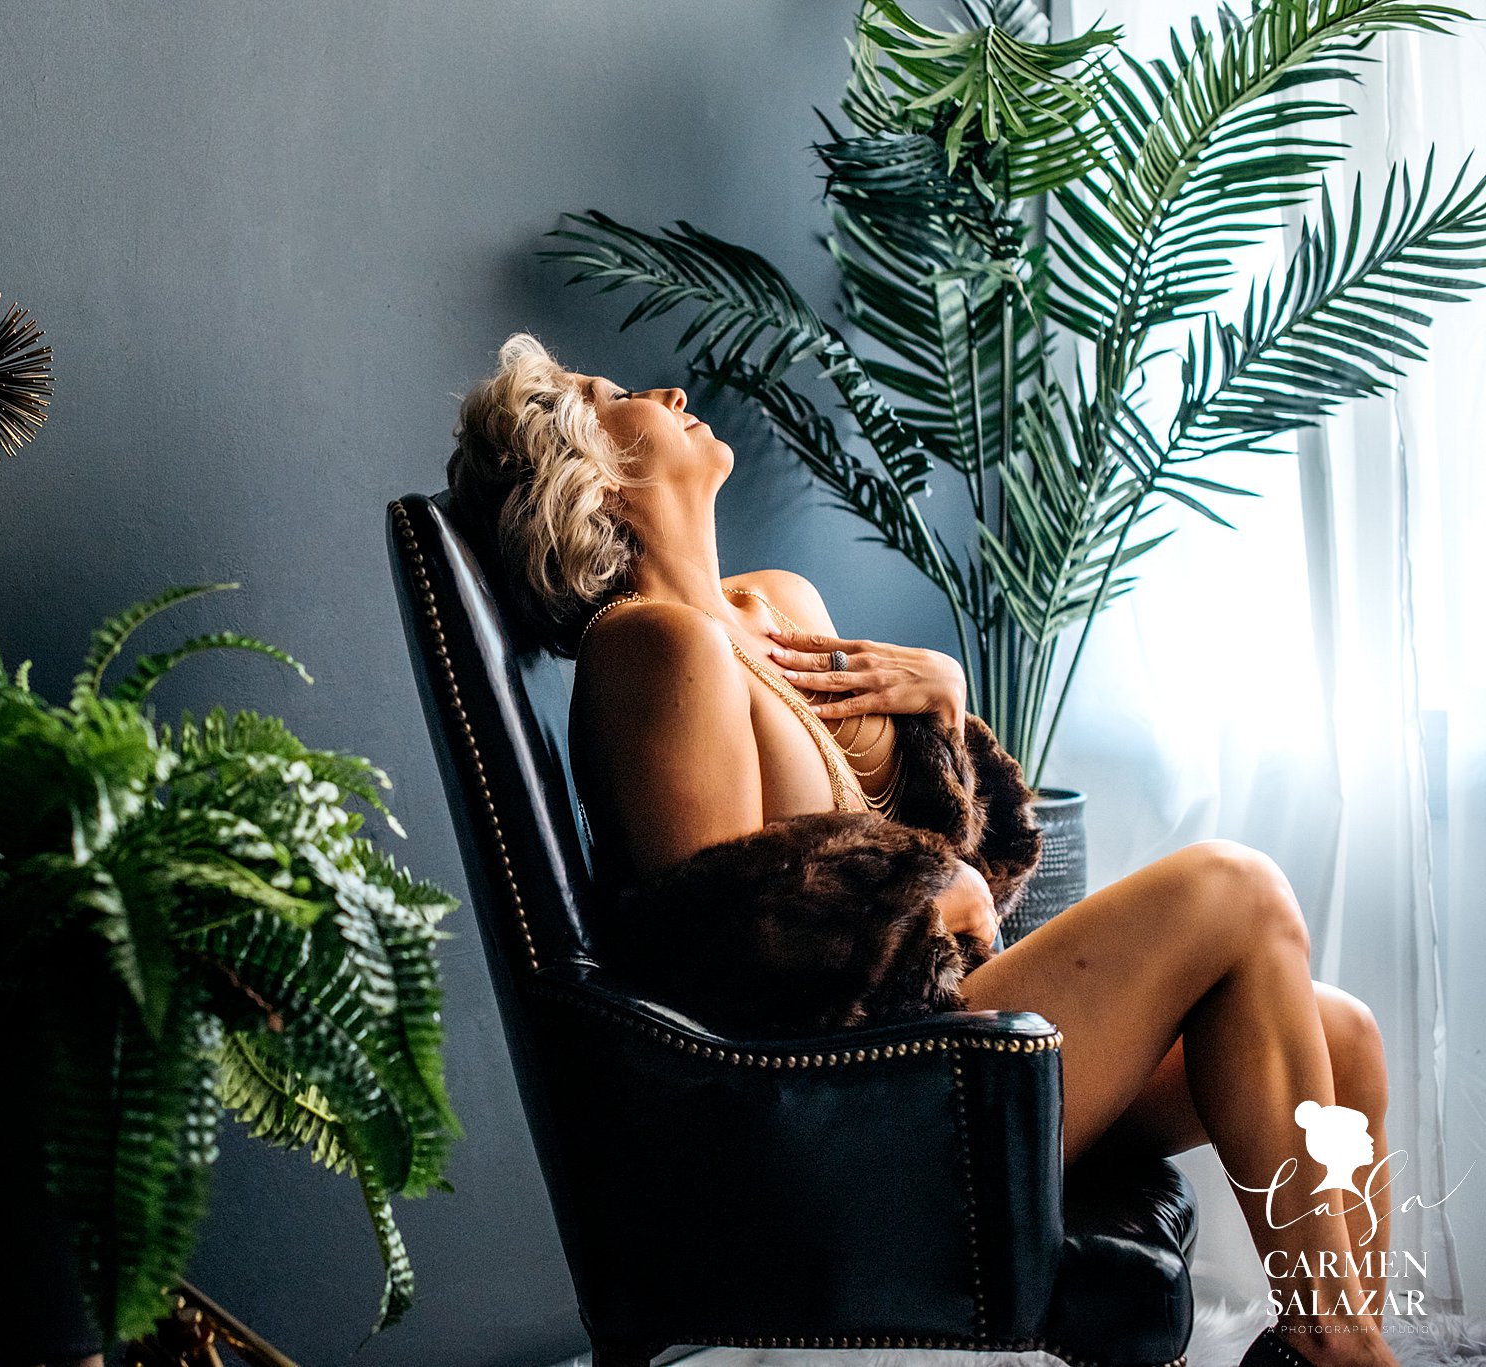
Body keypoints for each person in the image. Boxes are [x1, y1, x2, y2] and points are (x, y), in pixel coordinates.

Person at [446, 333, 1398, 1367]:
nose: (668, 389)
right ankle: (1337, 1348)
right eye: (618, 393)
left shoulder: (778, 606)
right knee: (1232, 885)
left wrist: (941, 709)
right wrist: (915, 881)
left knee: (1339, 1034)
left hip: (943, 1032)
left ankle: (1328, 1345)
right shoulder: (652, 644)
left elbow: (955, 869)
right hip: (860, 1104)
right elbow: (715, 945)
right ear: (591, 480)